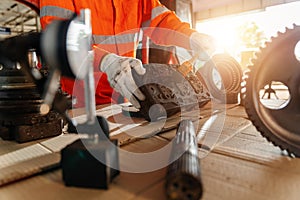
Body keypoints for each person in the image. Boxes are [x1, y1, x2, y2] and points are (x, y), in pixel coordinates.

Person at [39, 0, 215, 108]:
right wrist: (105, 61)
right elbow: (60, 39)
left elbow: (159, 21)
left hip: (125, 97)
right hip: (79, 104)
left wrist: (190, 37)